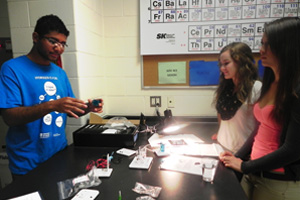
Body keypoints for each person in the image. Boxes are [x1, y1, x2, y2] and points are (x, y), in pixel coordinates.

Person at [0, 14, 103, 180]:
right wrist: (52, 105)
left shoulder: (59, 73)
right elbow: (9, 117)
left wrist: (87, 108)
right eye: (53, 41)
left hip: (58, 156)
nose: (59, 48)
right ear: (35, 37)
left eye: (63, 43)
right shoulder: (12, 69)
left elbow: (69, 110)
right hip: (27, 163)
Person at [219, 17, 300, 200]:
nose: (261, 50)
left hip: (278, 183)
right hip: (254, 173)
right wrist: (237, 158)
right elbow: (259, 129)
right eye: (262, 43)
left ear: (286, 47)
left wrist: (244, 166)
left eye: (267, 45)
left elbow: (292, 150)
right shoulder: (271, 82)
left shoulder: (296, 91)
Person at [212, 42, 262, 153]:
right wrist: (220, 133)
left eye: (226, 63)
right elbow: (221, 114)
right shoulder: (225, 88)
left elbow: (262, 127)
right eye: (221, 64)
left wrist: (243, 155)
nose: (222, 68)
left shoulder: (257, 88)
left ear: (241, 62)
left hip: (243, 153)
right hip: (222, 148)